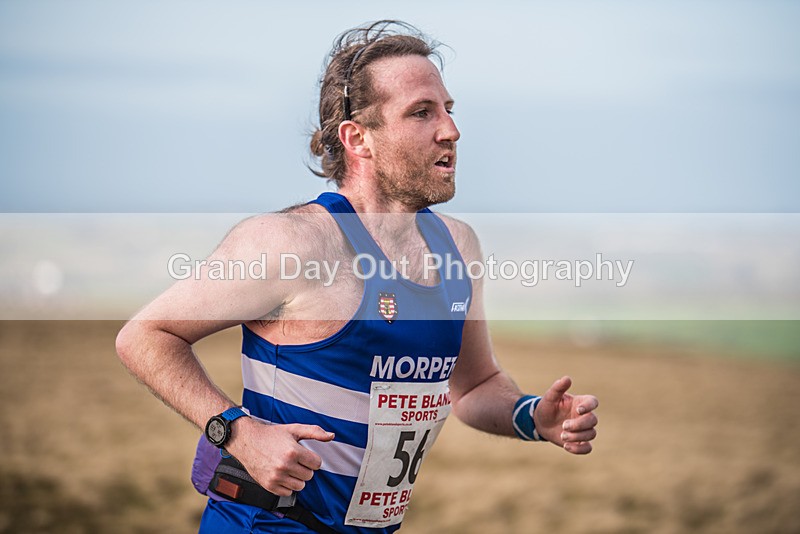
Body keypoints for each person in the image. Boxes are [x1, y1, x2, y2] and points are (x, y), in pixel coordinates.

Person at [116, 20, 599, 534]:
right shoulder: (293, 242)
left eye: (448, 110)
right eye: (421, 112)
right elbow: (146, 336)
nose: (451, 131)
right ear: (357, 138)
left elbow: (474, 385)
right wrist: (236, 431)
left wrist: (532, 418)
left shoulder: (457, 247)